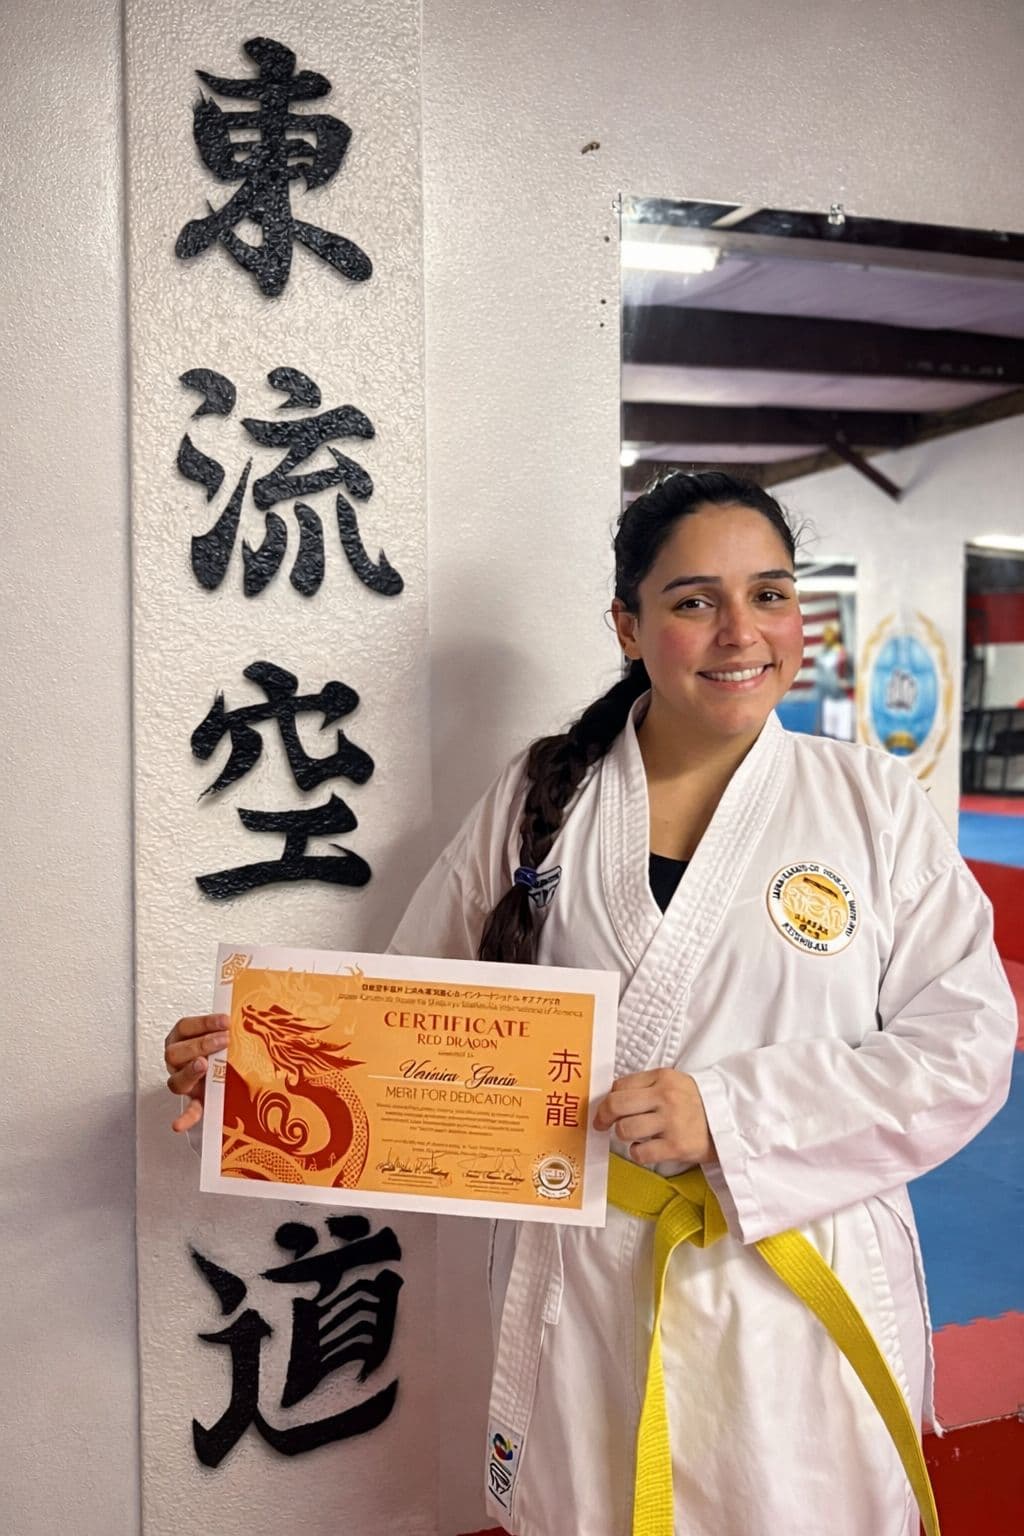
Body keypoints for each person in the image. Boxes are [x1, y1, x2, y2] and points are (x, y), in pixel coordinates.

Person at [165, 471, 1016, 1536]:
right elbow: (410, 1016)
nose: (741, 632)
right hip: (588, 1281)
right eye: (694, 600)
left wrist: (735, 1114)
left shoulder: (872, 805)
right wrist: (260, 1065)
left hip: (796, 1285)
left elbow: (966, 1043)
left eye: (772, 594)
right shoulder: (539, 798)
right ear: (628, 623)